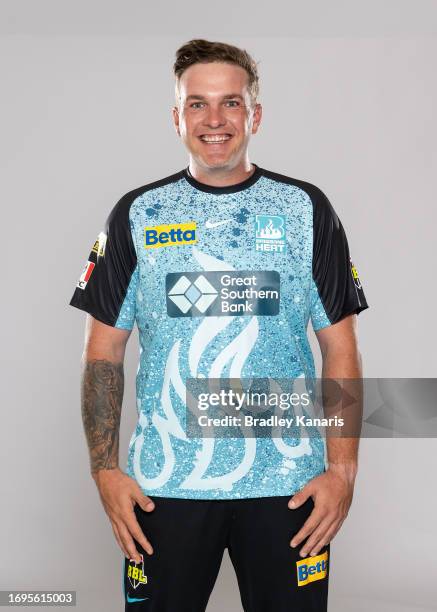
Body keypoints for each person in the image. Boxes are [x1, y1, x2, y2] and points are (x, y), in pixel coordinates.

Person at [69, 39, 368, 612]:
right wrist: (105, 471)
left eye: (230, 103)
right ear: (176, 116)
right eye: (197, 104)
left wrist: (342, 472)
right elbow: (102, 354)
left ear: (254, 114)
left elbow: (341, 347)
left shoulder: (306, 209)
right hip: (165, 489)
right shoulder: (137, 215)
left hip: (290, 485)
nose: (214, 120)